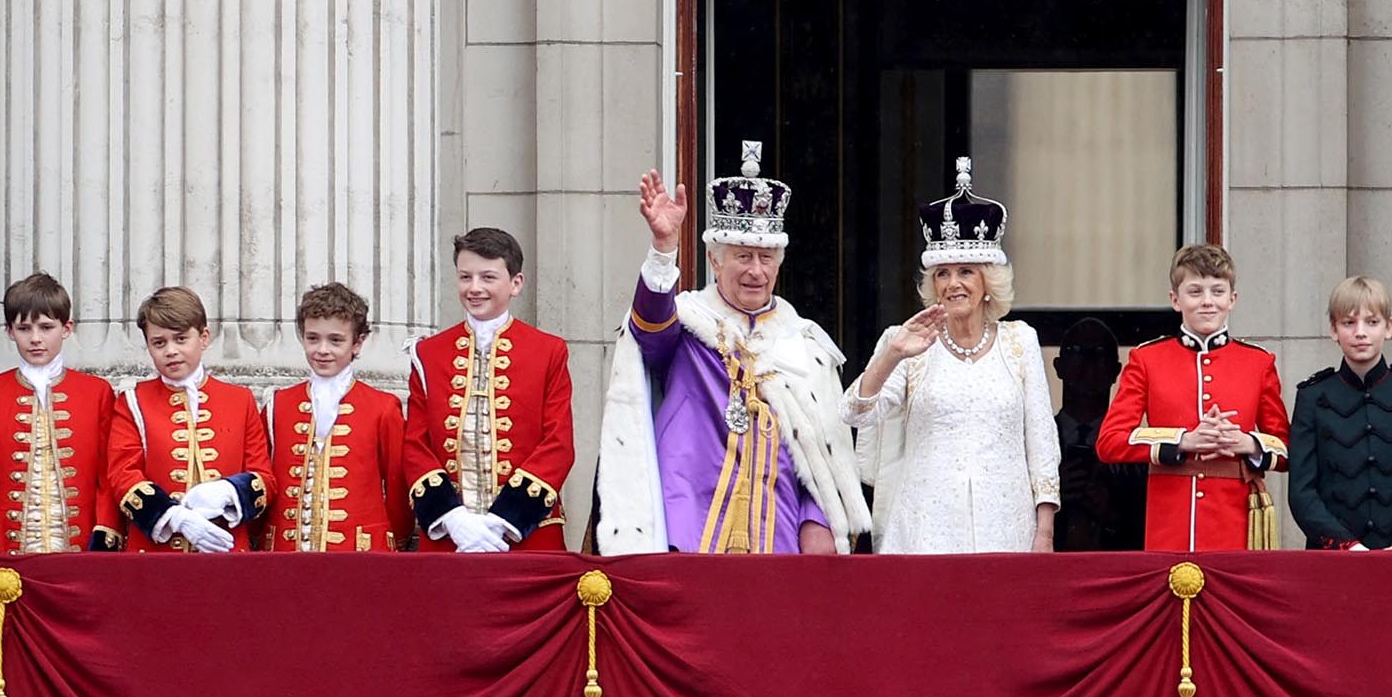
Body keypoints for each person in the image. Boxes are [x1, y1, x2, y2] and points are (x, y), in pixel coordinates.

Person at [591, 144, 868, 555]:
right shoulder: (688, 322)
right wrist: (663, 249)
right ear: (714, 260)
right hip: (685, 520)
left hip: (779, 526)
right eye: (742, 256)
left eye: (766, 257)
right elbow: (649, 329)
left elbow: (823, 445)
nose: (756, 270)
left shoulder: (805, 342)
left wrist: (819, 521)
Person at [844, 159, 1061, 553]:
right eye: (942, 274)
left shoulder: (1019, 341)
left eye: (965, 271)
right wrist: (892, 354)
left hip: (1006, 524)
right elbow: (855, 414)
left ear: (988, 283)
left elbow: (1042, 443)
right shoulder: (909, 341)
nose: (953, 283)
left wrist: (1043, 532)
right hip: (925, 527)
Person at [1097, 243, 1290, 552]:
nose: (1207, 302)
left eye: (1217, 291)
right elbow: (1110, 442)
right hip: (1170, 523)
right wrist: (1184, 441)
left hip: (1236, 524)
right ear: (1175, 300)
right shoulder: (1147, 359)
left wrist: (1248, 444)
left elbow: (1286, 449)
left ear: (1232, 299)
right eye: (1195, 291)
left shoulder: (1258, 362)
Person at [403, 228, 576, 552]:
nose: (475, 288)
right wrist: (453, 519)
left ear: (515, 283)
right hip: (449, 537)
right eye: (465, 277)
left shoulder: (548, 351)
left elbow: (558, 444)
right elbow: (415, 445)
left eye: (488, 277)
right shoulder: (428, 354)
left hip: (528, 534)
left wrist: (504, 521)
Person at [0, 272, 124, 554]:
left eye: (46, 327)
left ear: (67, 328)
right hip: (7, 543)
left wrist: (107, 527)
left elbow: (107, 474)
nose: (35, 339)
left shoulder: (97, 392)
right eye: (24, 329)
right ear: (10, 331)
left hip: (79, 542)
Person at [105, 286, 270, 552]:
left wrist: (228, 491)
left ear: (204, 338)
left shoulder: (240, 400)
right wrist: (174, 516)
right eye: (159, 342)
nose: (170, 350)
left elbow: (264, 478)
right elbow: (122, 475)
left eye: (181, 339)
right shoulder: (132, 401)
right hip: (155, 555)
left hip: (225, 550)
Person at [264, 282, 411, 552]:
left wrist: (398, 540)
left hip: (360, 553)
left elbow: (396, 487)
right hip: (285, 552)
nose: (322, 350)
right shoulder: (277, 405)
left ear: (357, 343)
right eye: (312, 338)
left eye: (336, 340)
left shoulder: (383, 407)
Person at [1286, 277, 1392, 549]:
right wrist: (1348, 545)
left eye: (1372, 322)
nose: (1360, 332)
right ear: (1334, 330)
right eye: (1349, 323)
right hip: (1334, 558)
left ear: (1389, 327)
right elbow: (1302, 492)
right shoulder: (1312, 397)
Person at [1051, 317, 1147, 552]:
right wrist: (1050, 492)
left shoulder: (1137, 451)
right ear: (1059, 366)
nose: (1087, 363)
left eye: (1099, 354)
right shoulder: (1036, 442)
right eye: (1077, 352)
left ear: (1116, 371)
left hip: (1117, 567)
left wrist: (1111, 514)